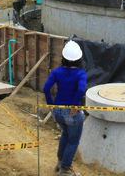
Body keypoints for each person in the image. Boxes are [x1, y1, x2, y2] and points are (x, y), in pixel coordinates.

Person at [43, 40, 87, 176]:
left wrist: (51, 105)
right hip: (72, 114)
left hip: (58, 112)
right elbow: (80, 91)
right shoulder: (81, 74)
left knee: (66, 134)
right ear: (79, 59)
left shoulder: (57, 72)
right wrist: (74, 105)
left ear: (64, 57)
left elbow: (46, 88)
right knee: (73, 141)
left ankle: (60, 163)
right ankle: (65, 170)